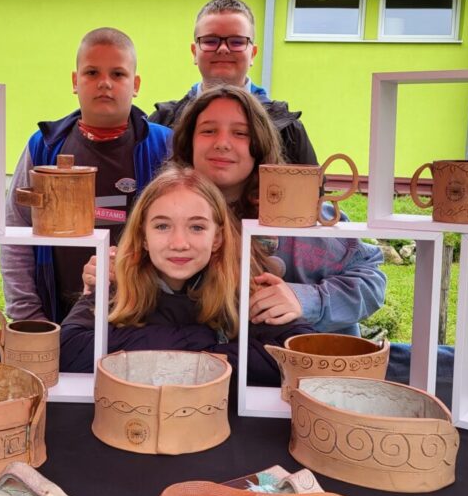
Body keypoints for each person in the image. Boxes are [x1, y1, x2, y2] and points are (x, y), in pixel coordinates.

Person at [60, 164, 312, 385]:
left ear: (217, 238)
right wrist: (212, 344)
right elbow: (68, 349)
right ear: (143, 236)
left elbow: (302, 359)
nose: (179, 243)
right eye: (162, 226)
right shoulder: (117, 280)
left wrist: (136, 351)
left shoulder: (242, 284)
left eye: (196, 227)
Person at [170, 85, 386, 336]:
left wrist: (306, 299)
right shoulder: (164, 211)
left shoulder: (298, 215)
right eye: (208, 131)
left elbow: (370, 279)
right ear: (189, 143)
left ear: (260, 144)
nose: (222, 143)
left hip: (304, 359)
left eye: (241, 133)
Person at [0, 28, 172, 324]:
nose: (104, 83)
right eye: (92, 72)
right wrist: (29, 315)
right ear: (74, 81)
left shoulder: (165, 146)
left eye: (118, 74)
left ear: (135, 84)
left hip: (147, 320)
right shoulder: (43, 147)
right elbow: (15, 234)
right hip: (59, 317)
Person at [149, 0, 318, 166]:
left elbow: (311, 183)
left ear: (253, 54)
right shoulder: (160, 124)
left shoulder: (287, 130)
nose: (223, 49)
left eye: (237, 42)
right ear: (194, 52)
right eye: (210, 41)